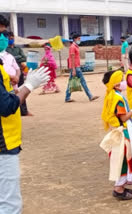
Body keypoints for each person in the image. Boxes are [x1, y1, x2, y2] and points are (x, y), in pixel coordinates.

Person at [0, 23, 50, 214]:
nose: (4, 37)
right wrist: (29, 86)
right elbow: (6, 107)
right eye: (1, 33)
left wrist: (15, 90)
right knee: (10, 206)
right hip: (3, 142)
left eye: (5, 33)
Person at [101, 70, 132, 200]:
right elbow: (124, 117)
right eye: (121, 80)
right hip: (122, 134)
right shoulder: (117, 98)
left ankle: (121, 186)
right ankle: (118, 189)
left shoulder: (113, 95)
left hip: (119, 131)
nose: (124, 82)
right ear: (116, 84)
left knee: (122, 160)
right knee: (123, 161)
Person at [65, 34, 99, 102]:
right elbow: (72, 58)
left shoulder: (75, 46)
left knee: (71, 82)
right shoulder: (73, 47)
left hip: (76, 66)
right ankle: (90, 96)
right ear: (75, 39)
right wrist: (74, 69)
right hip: (75, 67)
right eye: (78, 38)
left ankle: (67, 97)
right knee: (83, 82)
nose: (79, 40)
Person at [6, 32, 31, 116]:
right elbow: (7, 59)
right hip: (9, 74)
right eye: (9, 39)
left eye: (12, 38)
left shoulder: (18, 49)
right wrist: (16, 58)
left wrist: (14, 58)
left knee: (21, 90)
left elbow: (24, 57)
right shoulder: (5, 49)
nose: (11, 40)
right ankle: (13, 111)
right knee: (11, 92)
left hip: (18, 72)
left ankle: (24, 111)